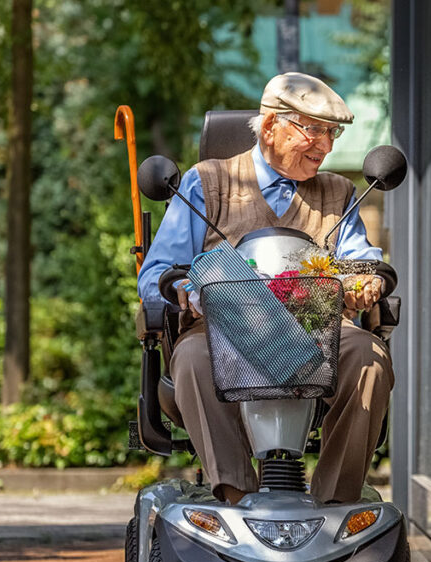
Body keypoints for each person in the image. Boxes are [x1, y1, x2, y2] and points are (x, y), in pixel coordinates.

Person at [138, 72, 394, 506]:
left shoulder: (339, 192)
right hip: (224, 329)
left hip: (318, 333)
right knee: (194, 357)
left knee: (369, 358)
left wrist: (365, 281)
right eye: (313, 131)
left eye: (331, 133)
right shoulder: (208, 182)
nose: (326, 146)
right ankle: (237, 499)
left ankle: (335, 505)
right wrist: (182, 285)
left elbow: (361, 262)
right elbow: (156, 273)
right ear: (272, 125)